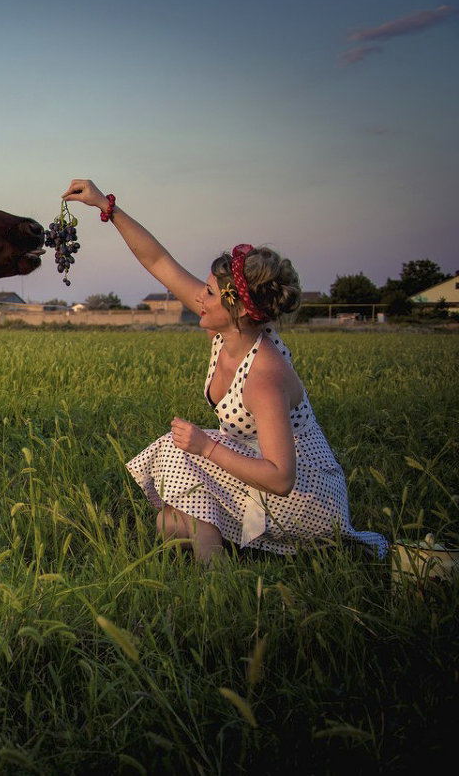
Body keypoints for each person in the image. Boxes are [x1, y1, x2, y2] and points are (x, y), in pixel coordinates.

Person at [62, 179, 388, 563]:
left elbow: (282, 477)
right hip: (260, 475)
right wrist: (106, 206)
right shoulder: (228, 329)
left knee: (177, 449)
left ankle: (213, 581)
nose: (199, 296)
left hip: (307, 499)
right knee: (168, 524)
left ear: (242, 310)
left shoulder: (265, 375)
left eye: (211, 294)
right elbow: (159, 262)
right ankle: (229, 545)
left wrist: (206, 447)